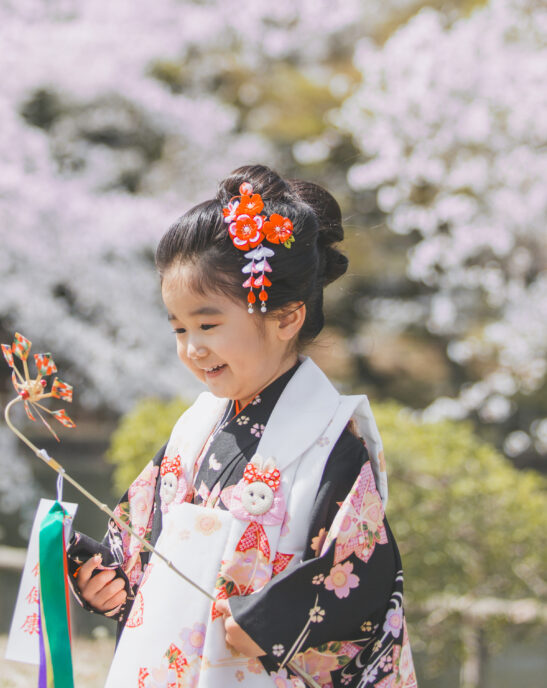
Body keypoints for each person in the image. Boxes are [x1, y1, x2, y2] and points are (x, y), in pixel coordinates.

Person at [67, 164, 417, 688]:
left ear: (286, 318)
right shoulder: (193, 431)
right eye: (179, 329)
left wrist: (275, 621)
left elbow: (363, 575)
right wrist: (106, 579)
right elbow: (140, 544)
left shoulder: (330, 443)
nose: (193, 348)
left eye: (208, 324)